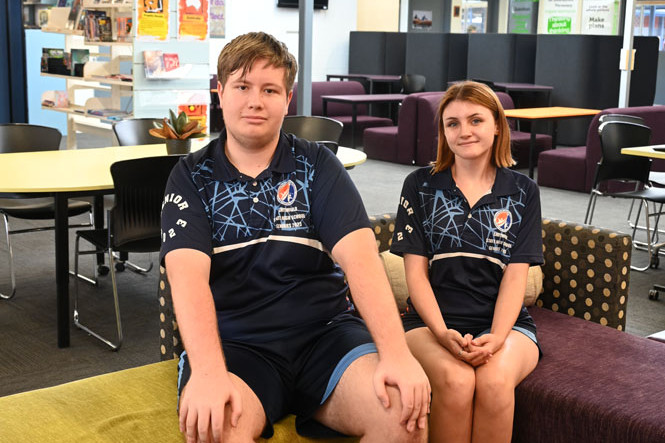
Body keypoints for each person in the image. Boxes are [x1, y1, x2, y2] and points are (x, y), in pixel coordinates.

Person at [160, 32, 430, 443]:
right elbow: (187, 278)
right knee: (216, 431)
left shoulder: (317, 164)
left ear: (288, 99)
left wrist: (396, 355)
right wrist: (210, 375)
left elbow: (360, 260)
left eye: (270, 89)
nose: (255, 101)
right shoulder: (191, 176)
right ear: (220, 93)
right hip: (237, 345)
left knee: (402, 417)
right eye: (242, 87)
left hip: (325, 335)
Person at [390, 80, 542, 442]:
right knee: (457, 381)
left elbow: (515, 278)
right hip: (428, 325)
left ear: (496, 126)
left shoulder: (523, 191)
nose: (465, 131)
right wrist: (442, 334)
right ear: (443, 132)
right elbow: (417, 276)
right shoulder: (419, 185)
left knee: (493, 381)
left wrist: (497, 337)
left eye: (476, 120)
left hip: (507, 326)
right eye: (453, 123)